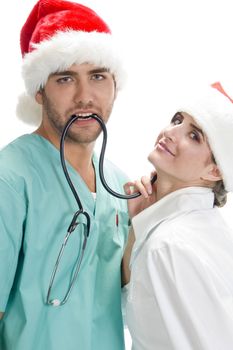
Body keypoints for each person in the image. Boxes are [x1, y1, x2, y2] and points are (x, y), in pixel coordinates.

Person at [0, 1, 129, 349]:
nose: (85, 96)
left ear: (115, 85)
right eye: (65, 78)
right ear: (39, 90)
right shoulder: (9, 178)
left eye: (98, 76)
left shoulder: (120, 186)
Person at [123, 82, 233, 349]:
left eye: (194, 136)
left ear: (215, 172)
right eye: (177, 120)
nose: (171, 133)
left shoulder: (169, 245)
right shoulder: (199, 227)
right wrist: (138, 226)